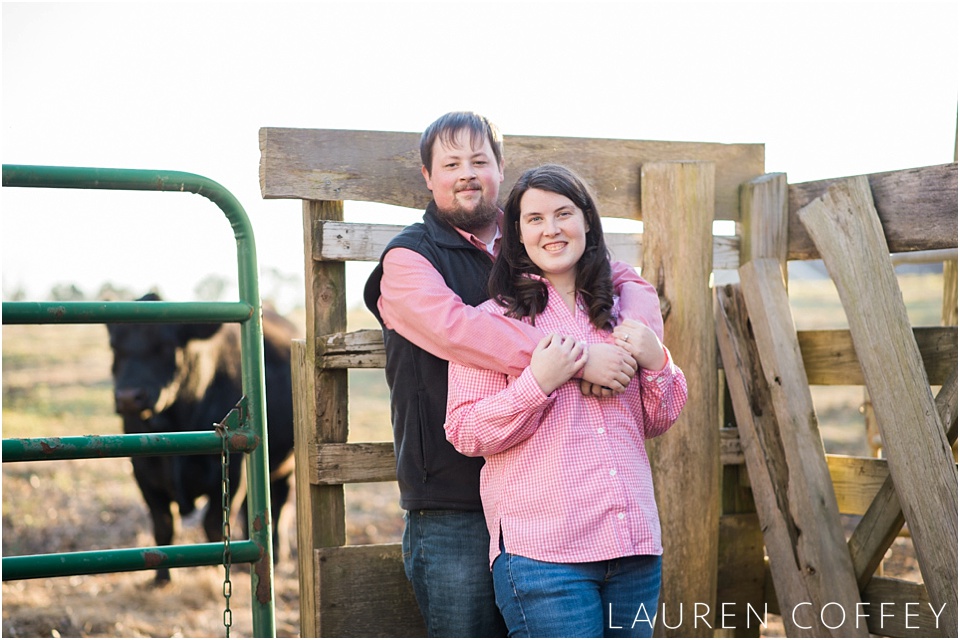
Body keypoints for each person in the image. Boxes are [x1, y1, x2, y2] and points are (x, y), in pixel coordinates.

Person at [363, 112, 663, 637]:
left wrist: (627, 347)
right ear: (427, 177)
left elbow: (627, 281)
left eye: (480, 161)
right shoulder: (409, 260)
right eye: (451, 163)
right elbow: (462, 332)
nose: (467, 173)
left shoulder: (534, 234)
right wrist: (577, 360)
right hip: (452, 499)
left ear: (501, 170)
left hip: (554, 502)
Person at [444, 164, 688, 638]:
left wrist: (658, 361)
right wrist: (537, 383)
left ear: (587, 222)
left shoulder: (620, 315)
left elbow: (656, 420)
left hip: (633, 547)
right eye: (535, 219)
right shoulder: (491, 322)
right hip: (545, 556)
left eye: (563, 214)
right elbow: (465, 430)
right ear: (516, 234)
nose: (551, 229)